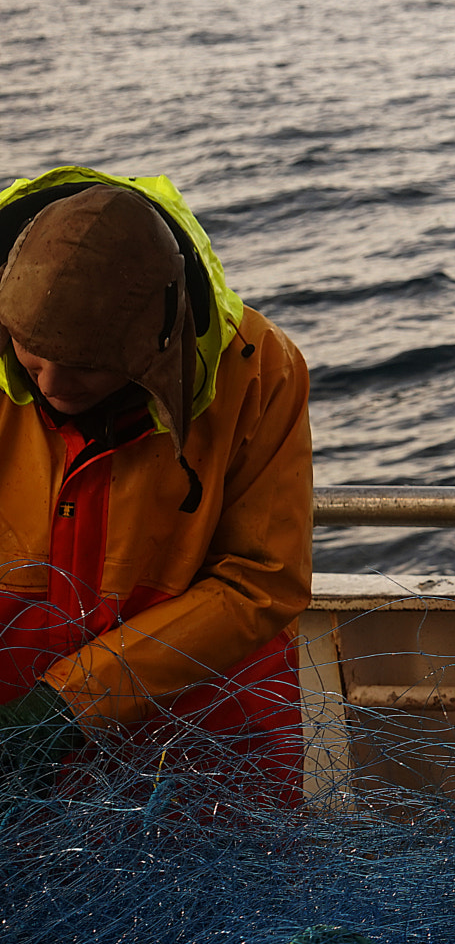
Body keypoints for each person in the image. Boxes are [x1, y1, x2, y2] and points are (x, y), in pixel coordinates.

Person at [0, 167, 313, 806]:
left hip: (207, 750)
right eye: (30, 357)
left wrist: (73, 699)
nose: (53, 385)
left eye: (86, 369)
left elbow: (263, 579)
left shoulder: (261, 370)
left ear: (160, 343)